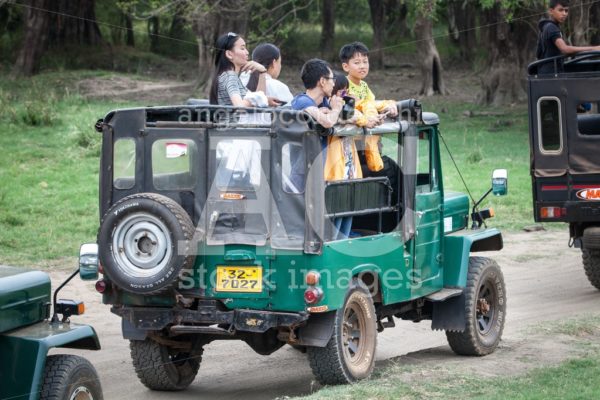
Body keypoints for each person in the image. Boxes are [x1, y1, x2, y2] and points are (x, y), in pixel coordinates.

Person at [291, 60, 357, 240]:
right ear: (322, 81)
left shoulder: (325, 102)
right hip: (302, 176)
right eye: (331, 79)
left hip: (321, 175)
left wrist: (338, 112)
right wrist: (335, 111)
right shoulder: (302, 101)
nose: (334, 83)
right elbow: (327, 121)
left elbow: (349, 118)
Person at [339, 41, 397, 173]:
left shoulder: (364, 85)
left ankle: (375, 163)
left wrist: (388, 106)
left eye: (365, 62)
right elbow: (342, 103)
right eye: (357, 63)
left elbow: (372, 103)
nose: (362, 66)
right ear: (346, 66)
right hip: (351, 135)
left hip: (366, 131)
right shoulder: (343, 83)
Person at [537, 0, 600, 74]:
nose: (564, 14)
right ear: (551, 11)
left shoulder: (548, 26)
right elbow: (565, 49)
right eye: (560, 10)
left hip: (549, 73)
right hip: (551, 75)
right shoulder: (551, 27)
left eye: (566, 11)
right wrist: (594, 48)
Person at [209, 32, 269, 107]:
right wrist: (254, 99)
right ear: (229, 54)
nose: (247, 52)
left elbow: (260, 97)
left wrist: (262, 72)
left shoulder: (228, 76)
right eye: (242, 48)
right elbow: (239, 106)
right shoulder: (230, 76)